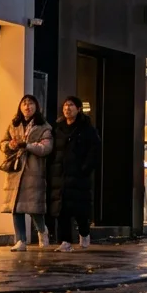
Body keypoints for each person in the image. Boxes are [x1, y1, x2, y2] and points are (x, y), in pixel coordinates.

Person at [0, 95, 53, 251]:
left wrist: (27, 145)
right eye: (24, 104)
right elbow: (2, 143)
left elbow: (46, 148)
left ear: (36, 107)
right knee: (16, 207)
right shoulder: (13, 124)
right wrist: (10, 144)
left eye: (30, 103)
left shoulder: (44, 127)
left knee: (34, 208)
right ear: (20, 107)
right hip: (15, 171)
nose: (27, 106)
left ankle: (42, 232)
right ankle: (21, 240)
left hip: (33, 171)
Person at [49, 96, 100, 252]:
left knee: (80, 210)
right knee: (61, 209)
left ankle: (84, 233)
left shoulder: (87, 129)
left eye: (71, 105)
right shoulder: (58, 128)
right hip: (61, 175)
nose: (67, 108)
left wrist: (85, 168)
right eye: (65, 106)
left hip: (79, 176)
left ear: (78, 109)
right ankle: (65, 242)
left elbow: (94, 151)